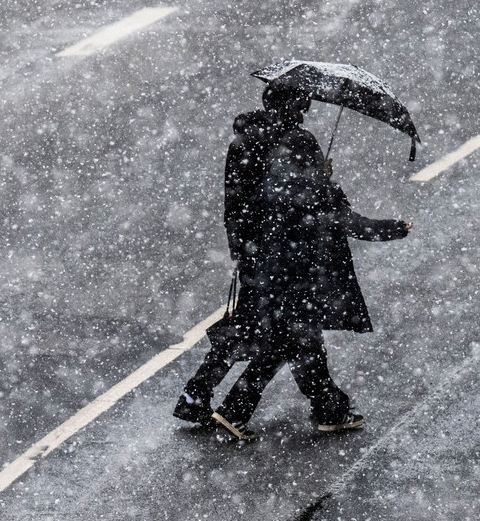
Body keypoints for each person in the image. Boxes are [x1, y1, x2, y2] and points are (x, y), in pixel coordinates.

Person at [209, 118, 412, 440]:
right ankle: (241, 410)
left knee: (297, 347)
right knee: (292, 347)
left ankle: (326, 410)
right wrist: (394, 228)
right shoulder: (316, 192)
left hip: (276, 280)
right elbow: (350, 222)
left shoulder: (274, 188)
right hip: (304, 283)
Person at [173, 83, 310, 426]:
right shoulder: (293, 142)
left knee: (249, 326)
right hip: (281, 253)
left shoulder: (242, 141)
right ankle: (230, 404)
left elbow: (235, 201)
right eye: (300, 106)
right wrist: (319, 176)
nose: (304, 113)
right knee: (285, 333)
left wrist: (241, 246)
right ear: (288, 107)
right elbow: (294, 200)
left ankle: (197, 394)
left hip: (253, 250)